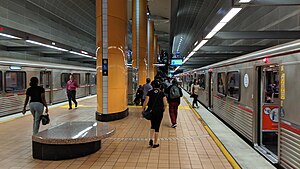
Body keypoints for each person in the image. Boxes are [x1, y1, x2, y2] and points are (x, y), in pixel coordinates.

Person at [142, 80, 167, 148]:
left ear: (152, 85)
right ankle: (155, 143)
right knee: (157, 127)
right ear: (159, 86)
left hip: (151, 111)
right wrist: (163, 109)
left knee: (152, 125)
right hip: (159, 112)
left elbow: (146, 101)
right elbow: (165, 103)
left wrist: (143, 109)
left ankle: (150, 139)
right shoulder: (162, 93)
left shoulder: (150, 92)